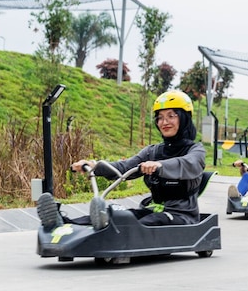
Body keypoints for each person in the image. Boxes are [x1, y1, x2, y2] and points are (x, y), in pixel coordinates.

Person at [36, 89, 206, 230]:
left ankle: (113, 236)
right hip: (153, 210)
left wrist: (159, 166)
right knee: (115, 214)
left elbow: (187, 164)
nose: (164, 122)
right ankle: (63, 224)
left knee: (140, 224)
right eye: (160, 117)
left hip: (182, 216)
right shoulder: (153, 151)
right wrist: (95, 166)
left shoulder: (195, 150)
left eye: (171, 115)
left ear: (184, 118)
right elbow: (123, 168)